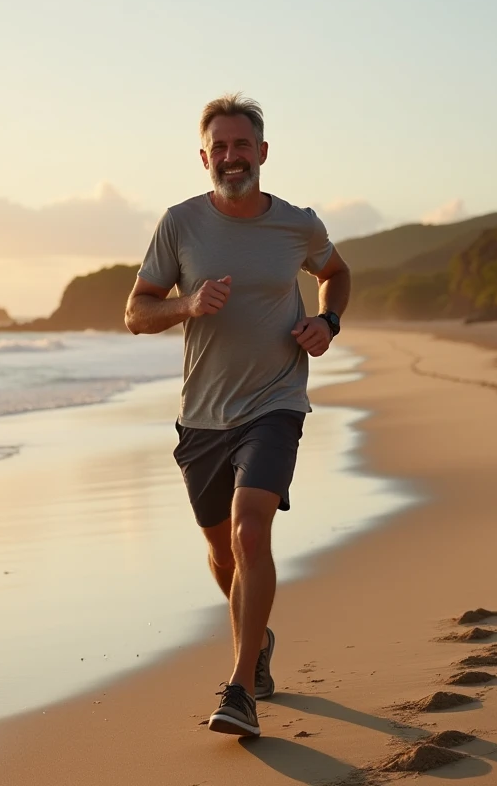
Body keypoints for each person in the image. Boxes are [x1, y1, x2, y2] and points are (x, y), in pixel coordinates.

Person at [124, 93, 351, 737]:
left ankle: (241, 688)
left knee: (253, 532)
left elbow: (336, 272)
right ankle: (261, 640)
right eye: (219, 147)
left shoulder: (296, 225)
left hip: (274, 401)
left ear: (263, 152)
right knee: (224, 558)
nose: (231, 156)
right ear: (204, 157)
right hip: (202, 415)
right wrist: (187, 305)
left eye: (242, 144)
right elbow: (136, 313)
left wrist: (327, 320)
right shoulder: (179, 224)